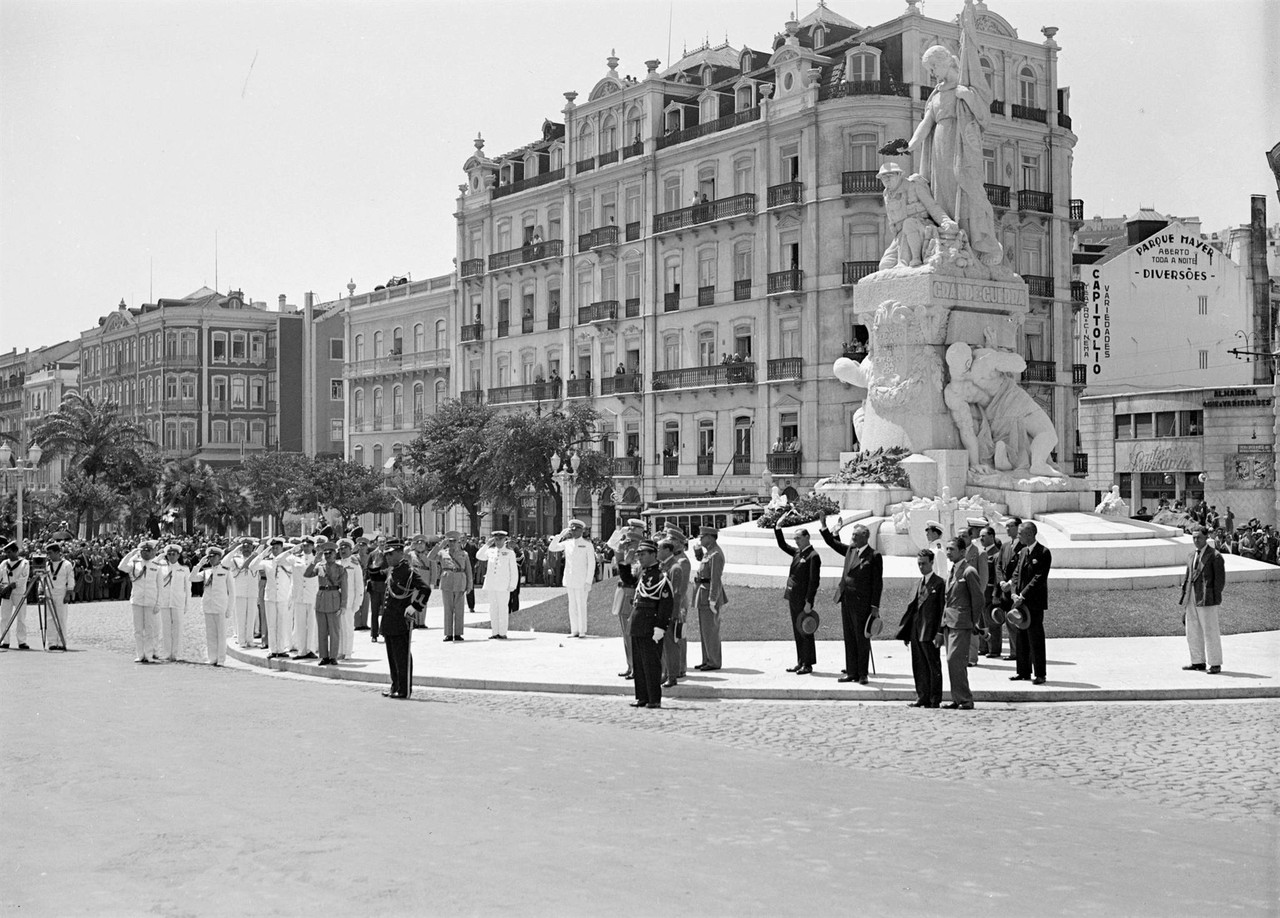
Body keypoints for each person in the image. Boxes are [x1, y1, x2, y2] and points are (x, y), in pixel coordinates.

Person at [907, 1, 1003, 267]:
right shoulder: (936, 95)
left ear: (943, 63)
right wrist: (910, 145)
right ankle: (950, 236)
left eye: (933, 68)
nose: (931, 74)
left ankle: (978, 241)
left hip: (961, 145)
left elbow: (984, 115)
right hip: (940, 145)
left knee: (968, 189)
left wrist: (968, 96)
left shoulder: (963, 88)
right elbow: (927, 123)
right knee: (944, 193)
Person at [819, 517, 882, 684]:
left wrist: (875, 606)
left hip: (863, 603)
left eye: (856, 535)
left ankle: (862, 673)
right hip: (847, 600)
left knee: (862, 638)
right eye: (852, 534)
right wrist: (825, 527)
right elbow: (833, 544)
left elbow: (877, 583)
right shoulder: (850, 551)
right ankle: (852, 671)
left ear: (865, 536)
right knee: (849, 637)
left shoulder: (874, 556)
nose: (852, 537)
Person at [876, 162, 957, 269]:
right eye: (883, 178)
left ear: (899, 175)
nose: (886, 180)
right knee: (885, 265)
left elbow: (932, 206)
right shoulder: (887, 194)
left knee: (908, 223)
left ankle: (915, 260)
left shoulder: (914, 186)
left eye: (890, 176)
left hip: (921, 227)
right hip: (900, 235)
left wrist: (945, 221)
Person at [1002, 520, 1052, 684]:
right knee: (1021, 637)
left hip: (1034, 603)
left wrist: (1022, 595)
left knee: (1035, 637)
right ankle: (1023, 671)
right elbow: (1016, 574)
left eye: (1021, 533)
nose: (1018, 536)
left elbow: (1038, 578)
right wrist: (1014, 593)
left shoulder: (1043, 552)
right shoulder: (1023, 552)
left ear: (1030, 534)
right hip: (1020, 603)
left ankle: (1040, 673)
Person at [380, 538, 430, 699]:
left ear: (401, 553)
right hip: (389, 619)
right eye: (386, 554)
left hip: (402, 619)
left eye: (391, 554)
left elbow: (425, 589)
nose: (388, 557)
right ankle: (395, 685)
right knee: (392, 656)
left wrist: (415, 606)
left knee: (402, 656)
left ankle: (404, 689)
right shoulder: (391, 570)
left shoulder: (408, 572)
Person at [628, 539, 673, 710]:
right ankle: (642, 696)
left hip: (651, 624)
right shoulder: (642, 574)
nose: (640, 557)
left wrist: (661, 626)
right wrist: (625, 561)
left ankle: (654, 698)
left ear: (654, 554)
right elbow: (627, 581)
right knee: (639, 664)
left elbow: (666, 603)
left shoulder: (661, 576)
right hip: (638, 622)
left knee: (651, 664)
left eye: (643, 554)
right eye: (638, 554)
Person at [897, 549, 945, 708]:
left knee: (933, 666)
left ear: (932, 562)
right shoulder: (918, 583)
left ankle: (934, 699)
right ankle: (922, 696)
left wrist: (940, 632)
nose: (921, 567)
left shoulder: (939, 583)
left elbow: (941, 610)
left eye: (924, 563)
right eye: (919, 564)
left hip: (930, 632)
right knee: (918, 666)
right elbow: (913, 610)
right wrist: (907, 632)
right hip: (916, 631)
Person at [938, 539, 982, 709]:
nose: (948, 552)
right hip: (950, 623)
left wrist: (973, 622)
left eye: (952, 549)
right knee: (952, 662)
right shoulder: (952, 571)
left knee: (954, 660)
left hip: (962, 623)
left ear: (963, 552)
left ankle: (965, 699)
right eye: (947, 549)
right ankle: (958, 698)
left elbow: (978, 599)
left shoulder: (969, 571)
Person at [773, 516, 820, 674]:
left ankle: (808, 663)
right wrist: (778, 527)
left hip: (803, 600)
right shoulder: (797, 553)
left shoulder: (813, 556)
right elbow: (782, 545)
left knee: (806, 630)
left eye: (799, 538)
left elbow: (814, 581)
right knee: (797, 630)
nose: (796, 541)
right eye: (795, 539)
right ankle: (800, 661)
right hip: (793, 597)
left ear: (807, 537)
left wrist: (809, 601)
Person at [1180, 526, 1227, 674]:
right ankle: (1197, 661)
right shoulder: (1190, 556)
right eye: (1193, 537)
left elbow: (1220, 581)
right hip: (1191, 596)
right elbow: (1188, 577)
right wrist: (1185, 597)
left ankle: (1215, 663)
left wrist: (1213, 597)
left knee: (1210, 631)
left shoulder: (1215, 556)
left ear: (1206, 538)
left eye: (1199, 537)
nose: (1196, 540)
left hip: (1207, 598)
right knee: (1192, 630)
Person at [606, 519, 645, 677]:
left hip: (631, 594)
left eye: (631, 530)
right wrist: (620, 536)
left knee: (632, 635)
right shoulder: (626, 549)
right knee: (625, 634)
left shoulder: (639, 554)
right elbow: (612, 544)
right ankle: (630, 665)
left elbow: (633, 577)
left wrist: (627, 559)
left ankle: (636, 667)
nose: (627, 544)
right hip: (622, 593)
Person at [548, 519, 597, 637]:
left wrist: (588, 581)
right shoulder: (567, 543)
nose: (573, 533)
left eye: (576, 530)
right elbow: (552, 548)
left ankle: (582, 631)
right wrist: (560, 536)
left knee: (581, 605)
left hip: (582, 580)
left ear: (581, 531)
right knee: (572, 605)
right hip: (570, 579)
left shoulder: (587, 544)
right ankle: (574, 630)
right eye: (572, 530)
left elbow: (591, 564)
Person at [250, 537, 298, 659]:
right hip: (270, 596)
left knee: (282, 623)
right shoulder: (266, 562)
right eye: (273, 548)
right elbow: (252, 566)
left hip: (283, 596)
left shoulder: (288, 561)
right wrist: (262, 554)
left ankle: (281, 649)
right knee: (271, 624)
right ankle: (273, 649)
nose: (275, 550)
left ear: (282, 548)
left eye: (277, 548)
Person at [119, 540, 164, 663]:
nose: (146, 552)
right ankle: (140, 654)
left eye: (149, 550)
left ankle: (148, 655)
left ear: (153, 552)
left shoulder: (156, 566)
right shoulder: (135, 564)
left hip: (150, 600)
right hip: (137, 600)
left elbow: (160, 587)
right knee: (138, 630)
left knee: (149, 629)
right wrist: (130, 554)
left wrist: (158, 603)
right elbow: (121, 567)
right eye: (143, 550)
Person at [691, 526, 728, 672]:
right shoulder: (710, 552)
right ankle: (706, 659)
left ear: (711, 537)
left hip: (709, 596)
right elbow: (701, 560)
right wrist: (697, 551)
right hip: (703, 594)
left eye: (703, 536)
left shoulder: (716, 554)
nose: (700, 539)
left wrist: (713, 599)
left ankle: (713, 661)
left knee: (711, 630)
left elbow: (715, 579)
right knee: (704, 630)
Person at [304, 542, 347, 665]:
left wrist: (343, 605)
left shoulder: (340, 569)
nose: (328, 555)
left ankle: (333, 656)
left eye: (330, 553)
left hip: (334, 600)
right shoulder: (319, 566)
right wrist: (314, 561)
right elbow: (306, 574)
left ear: (335, 554)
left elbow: (344, 588)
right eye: (326, 553)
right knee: (322, 631)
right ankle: (324, 656)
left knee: (334, 631)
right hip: (321, 600)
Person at [191, 547, 235, 665]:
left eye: (213, 556)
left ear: (219, 557)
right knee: (210, 634)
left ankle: (221, 659)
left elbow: (232, 592)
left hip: (220, 606)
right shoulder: (206, 572)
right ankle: (212, 658)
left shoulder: (226, 571)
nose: (211, 559)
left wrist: (229, 609)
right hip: (208, 606)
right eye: (209, 557)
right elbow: (192, 578)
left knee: (221, 634)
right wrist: (199, 564)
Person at [427, 531, 472, 641]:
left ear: (458, 542)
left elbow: (468, 571)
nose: (452, 543)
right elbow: (430, 557)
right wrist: (440, 546)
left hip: (460, 581)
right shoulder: (442, 553)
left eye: (454, 541)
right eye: (450, 541)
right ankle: (448, 633)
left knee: (459, 609)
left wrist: (469, 585)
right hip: (447, 581)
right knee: (448, 609)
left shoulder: (464, 554)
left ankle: (458, 633)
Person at [663, 524, 693, 681]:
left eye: (672, 540)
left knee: (678, 634)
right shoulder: (674, 559)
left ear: (680, 543)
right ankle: (675, 666)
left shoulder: (682, 561)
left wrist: (679, 606)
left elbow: (680, 587)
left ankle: (680, 667)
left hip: (679, 601)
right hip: (674, 601)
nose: (669, 543)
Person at [476, 531, 519, 639]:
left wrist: (512, 584)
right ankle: (494, 632)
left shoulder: (509, 553)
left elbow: (513, 570)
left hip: (503, 585)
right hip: (491, 584)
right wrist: (486, 545)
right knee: (493, 609)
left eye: (500, 539)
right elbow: (479, 556)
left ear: (505, 540)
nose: (498, 541)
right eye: (496, 539)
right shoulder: (490, 551)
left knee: (503, 609)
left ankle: (502, 632)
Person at [656, 539, 687, 687]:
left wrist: (673, 614)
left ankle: (672, 675)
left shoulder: (675, 568)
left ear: (668, 550)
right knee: (663, 646)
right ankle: (665, 673)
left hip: (669, 613)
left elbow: (676, 594)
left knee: (671, 645)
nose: (657, 552)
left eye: (659, 549)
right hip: (660, 611)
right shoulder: (664, 566)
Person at [222, 538, 259, 649]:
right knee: (240, 617)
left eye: (249, 547)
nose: (246, 549)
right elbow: (224, 562)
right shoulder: (235, 559)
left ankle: (250, 639)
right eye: (244, 546)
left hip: (252, 591)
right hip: (240, 592)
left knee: (251, 617)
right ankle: (241, 640)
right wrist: (235, 549)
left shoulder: (256, 558)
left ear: (253, 547)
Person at [157, 544, 191, 661]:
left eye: (174, 554)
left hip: (178, 602)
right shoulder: (161, 568)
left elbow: (188, 588)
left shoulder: (184, 569)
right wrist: (160, 556)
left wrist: (187, 604)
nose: (172, 556)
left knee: (178, 628)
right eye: (169, 554)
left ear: (178, 555)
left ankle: (177, 654)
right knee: (166, 628)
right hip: (165, 602)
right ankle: (167, 653)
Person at [285, 538, 319, 659]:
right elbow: (280, 560)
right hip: (299, 595)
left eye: (308, 546)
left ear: (312, 547)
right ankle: (301, 650)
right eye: (304, 546)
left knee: (311, 624)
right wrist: (293, 549)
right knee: (299, 624)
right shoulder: (295, 558)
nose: (306, 548)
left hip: (312, 595)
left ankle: (310, 649)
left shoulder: (318, 560)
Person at [42, 542, 75, 651]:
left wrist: (68, 594)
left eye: (50, 553)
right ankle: (51, 642)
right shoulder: (46, 565)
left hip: (61, 593)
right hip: (49, 592)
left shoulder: (67, 564)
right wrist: (41, 591)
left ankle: (61, 642)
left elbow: (70, 579)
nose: (49, 555)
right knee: (50, 618)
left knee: (61, 618)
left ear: (57, 552)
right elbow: (43, 578)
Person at [0, 540, 32, 650]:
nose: (8, 554)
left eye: (9, 552)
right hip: (6, 593)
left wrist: (13, 585)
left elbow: (23, 578)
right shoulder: (4, 563)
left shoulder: (25, 563)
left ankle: (22, 641)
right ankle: (5, 640)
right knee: (4, 617)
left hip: (19, 592)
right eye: (6, 553)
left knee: (21, 618)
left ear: (15, 551)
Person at [337, 538, 364, 659]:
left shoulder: (354, 565)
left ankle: (348, 652)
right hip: (337, 601)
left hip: (349, 601)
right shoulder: (337, 564)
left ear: (350, 549)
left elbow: (359, 585)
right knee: (338, 627)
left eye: (345, 548)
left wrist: (357, 602)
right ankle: (339, 651)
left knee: (348, 627)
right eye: (341, 548)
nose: (342, 550)